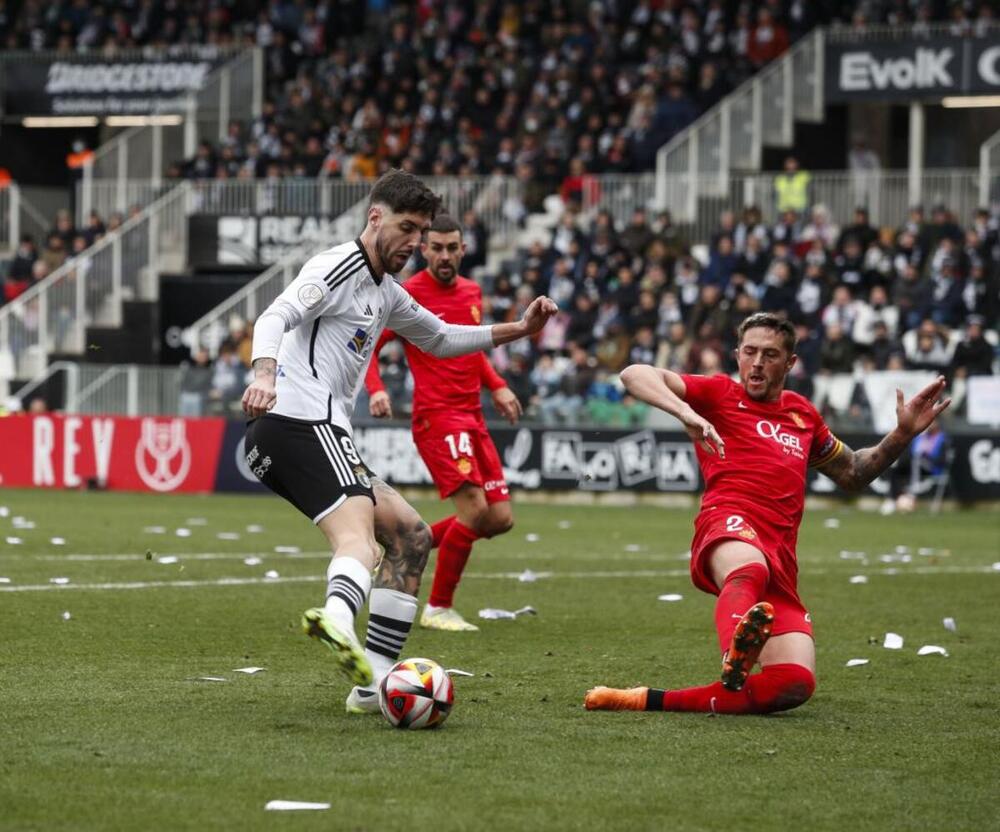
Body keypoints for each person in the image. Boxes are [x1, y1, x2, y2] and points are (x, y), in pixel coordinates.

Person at [241, 170, 556, 715]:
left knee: (411, 536)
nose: (413, 243)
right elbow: (277, 314)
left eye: (422, 231)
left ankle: (374, 684)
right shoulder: (337, 266)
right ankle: (338, 620)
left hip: (314, 430)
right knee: (359, 536)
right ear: (375, 218)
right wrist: (265, 374)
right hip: (295, 420)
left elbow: (440, 336)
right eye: (407, 229)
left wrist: (519, 330)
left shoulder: (385, 293)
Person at [585, 312, 949, 715]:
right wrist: (684, 412)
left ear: (790, 363)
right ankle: (735, 653)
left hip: (781, 556)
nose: (756, 363)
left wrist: (900, 435)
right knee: (749, 569)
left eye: (770, 354)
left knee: (793, 684)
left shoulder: (803, 415)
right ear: (737, 355)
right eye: (749, 352)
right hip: (729, 524)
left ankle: (642, 699)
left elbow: (853, 473)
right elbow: (635, 373)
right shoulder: (718, 394)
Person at [364, 214, 522, 633]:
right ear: (424, 248)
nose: (445, 255)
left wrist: (499, 386)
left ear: (464, 250)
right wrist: (376, 389)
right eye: (437, 247)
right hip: (438, 417)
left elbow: (472, 348)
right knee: (473, 511)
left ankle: (406, 542)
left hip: (473, 416)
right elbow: (370, 346)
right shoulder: (407, 294)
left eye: (453, 248)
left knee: (499, 518)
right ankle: (437, 607)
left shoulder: (472, 290)